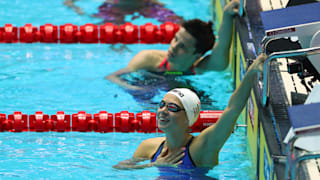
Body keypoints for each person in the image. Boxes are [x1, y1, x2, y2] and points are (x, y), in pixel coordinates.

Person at [112, 54, 267, 174]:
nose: (163, 111)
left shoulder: (202, 148)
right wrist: (153, 165)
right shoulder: (149, 147)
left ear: (188, 118)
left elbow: (232, 109)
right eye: (162, 105)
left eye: (172, 108)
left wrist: (252, 71)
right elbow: (118, 168)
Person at [105, 0, 241, 90]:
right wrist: (139, 90)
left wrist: (227, 15)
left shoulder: (201, 67)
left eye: (182, 46)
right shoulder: (147, 59)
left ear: (197, 55)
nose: (174, 47)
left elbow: (222, 45)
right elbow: (112, 77)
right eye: (175, 39)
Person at [64, 0, 184, 25]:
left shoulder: (153, 7)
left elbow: (181, 24)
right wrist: (75, 8)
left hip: (142, 8)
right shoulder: (109, 6)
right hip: (117, 10)